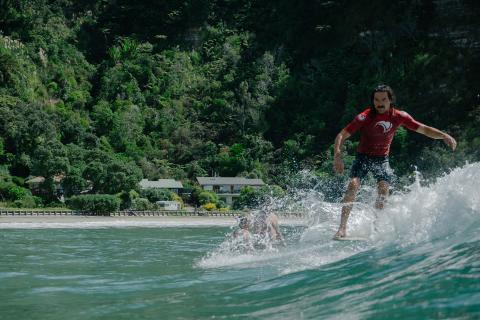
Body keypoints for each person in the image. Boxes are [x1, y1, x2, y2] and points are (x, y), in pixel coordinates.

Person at [333, 85, 457, 239]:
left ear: (390, 100)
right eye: (376, 100)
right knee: (353, 185)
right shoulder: (365, 117)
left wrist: (443, 135)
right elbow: (342, 134)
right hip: (363, 156)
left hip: (382, 158)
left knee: (383, 189)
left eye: (383, 99)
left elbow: (423, 129)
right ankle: (342, 228)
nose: (379, 103)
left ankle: (376, 226)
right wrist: (337, 155)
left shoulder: (399, 116)